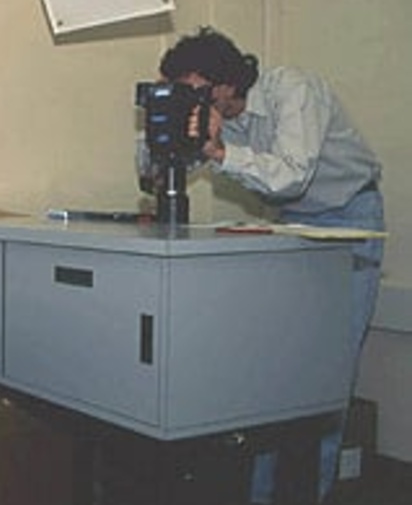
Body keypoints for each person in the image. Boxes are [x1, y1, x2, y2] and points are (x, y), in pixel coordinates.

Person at [139, 26, 385, 504]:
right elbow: (156, 174)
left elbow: (292, 176)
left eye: (195, 91)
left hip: (350, 216)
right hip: (293, 221)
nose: (191, 101)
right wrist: (162, 129)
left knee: (329, 372)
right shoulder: (214, 111)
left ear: (227, 83)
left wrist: (216, 150)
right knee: (277, 371)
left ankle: (310, 494)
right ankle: (260, 495)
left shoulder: (293, 90)